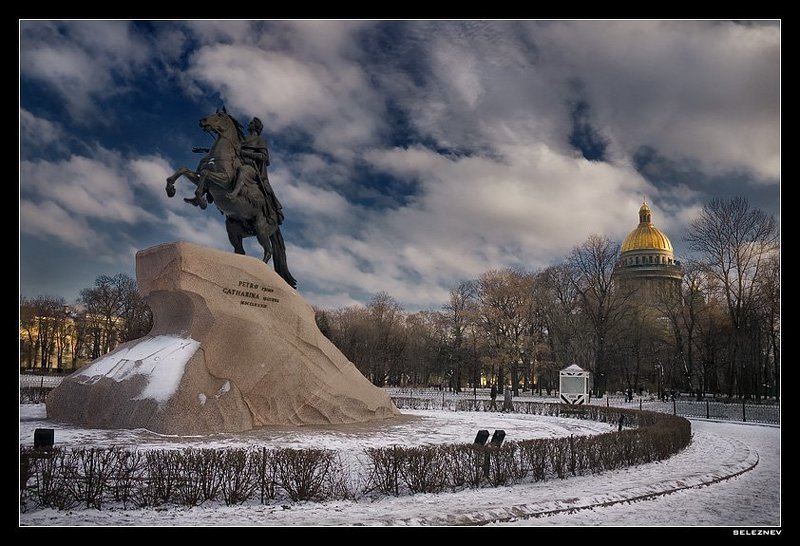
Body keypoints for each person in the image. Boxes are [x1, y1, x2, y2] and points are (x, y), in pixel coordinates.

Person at [226, 117, 283, 227]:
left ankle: (235, 192)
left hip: (251, 168)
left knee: (243, 170)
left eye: (251, 122)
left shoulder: (260, 140)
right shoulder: (242, 139)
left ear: (256, 127)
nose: (249, 123)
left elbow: (264, 157)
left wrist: (246, 154)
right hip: (237, 163)